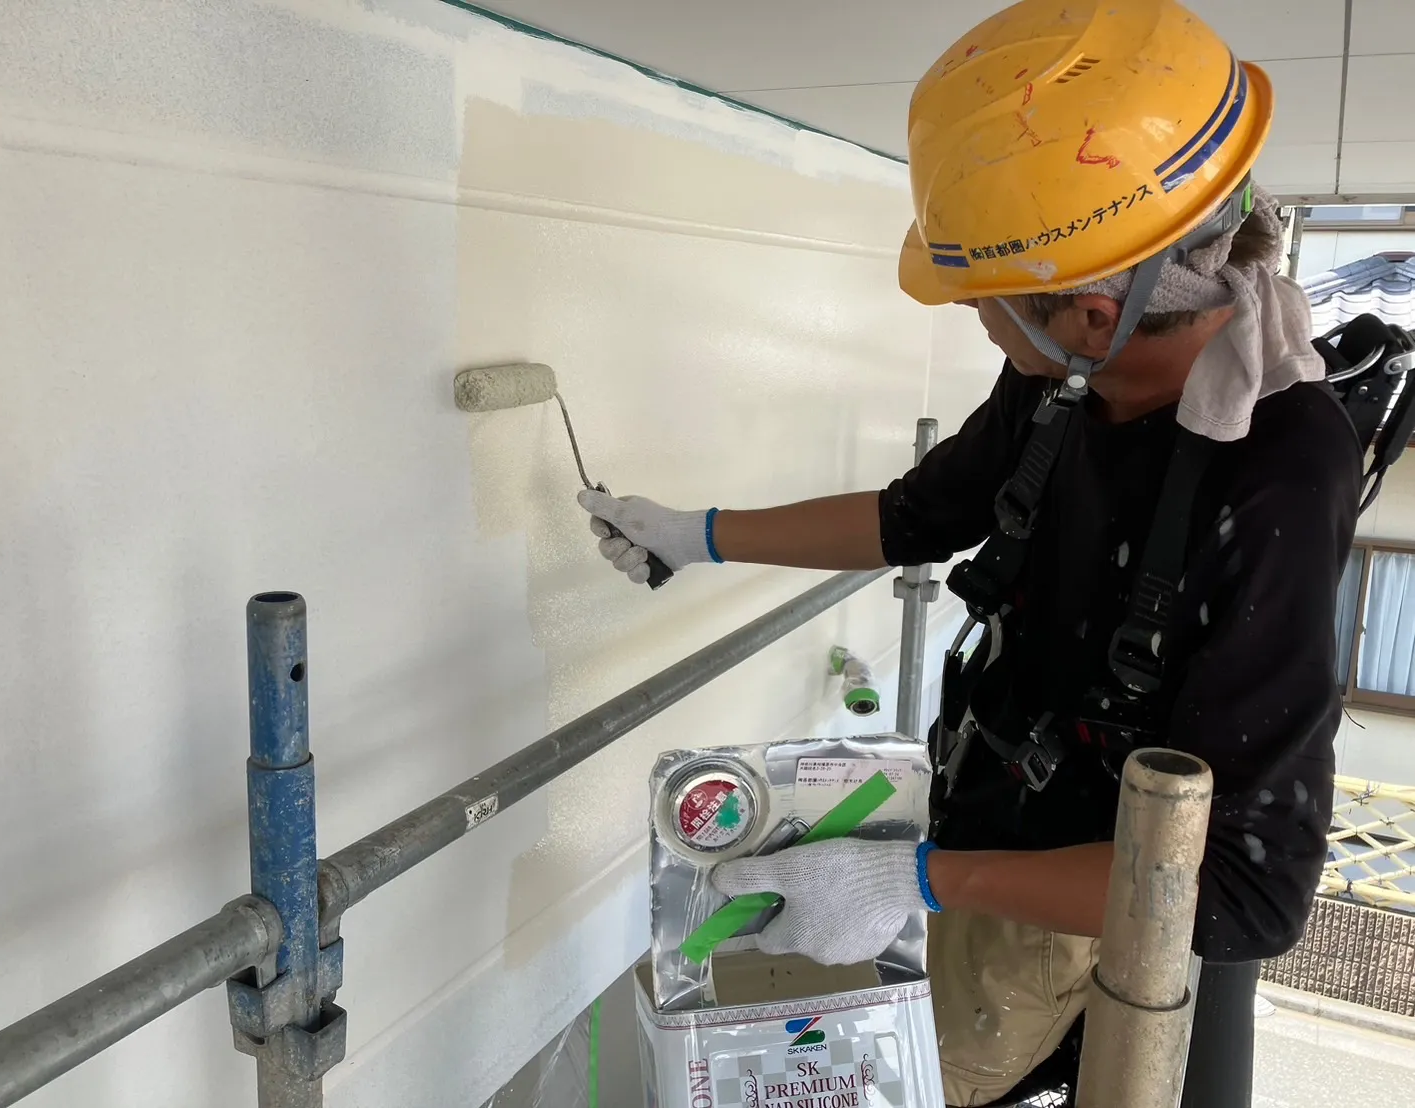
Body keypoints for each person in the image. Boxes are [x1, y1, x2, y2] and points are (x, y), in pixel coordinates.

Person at [576, 2, 1361, 1105]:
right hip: (983, 808)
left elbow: (1240, 890)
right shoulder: (1065, 380)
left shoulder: (1276, 472)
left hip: (1079, 899)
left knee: (906, 1081)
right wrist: (696, 535)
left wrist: (916, 880)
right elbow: (918, 515)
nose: (978, 323)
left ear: (1095, 314)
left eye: (983, 304)